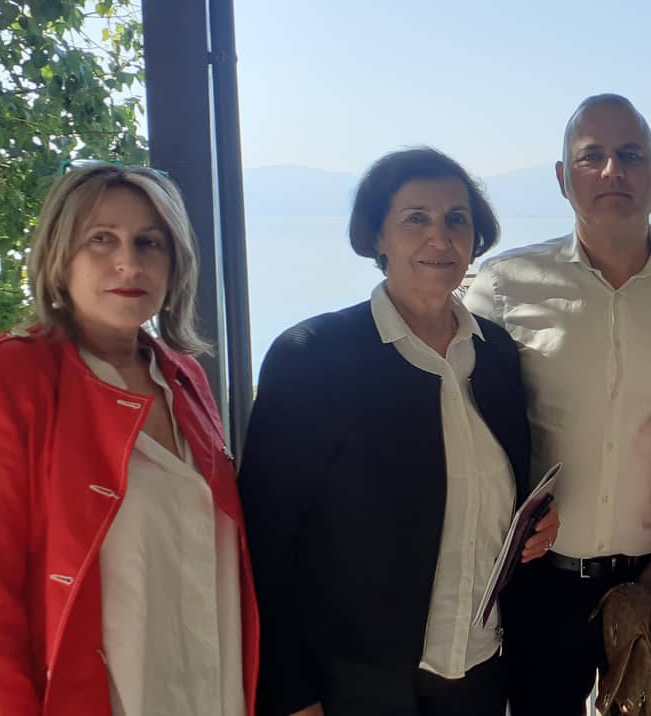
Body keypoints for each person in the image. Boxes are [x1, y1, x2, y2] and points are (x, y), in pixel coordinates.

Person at [238, 148, 556, 716]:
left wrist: (535, 525)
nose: (441, 237)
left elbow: (497, 492)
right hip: (356, 687)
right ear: (376, 237)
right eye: (416, 218)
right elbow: (267, 540)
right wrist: (291, 695)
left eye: (457, 219)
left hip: (480, 672)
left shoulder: (498, 355)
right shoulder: (313, 358)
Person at [0, 162, 258, 714]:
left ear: (176, 263)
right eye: (101, 239)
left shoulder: (184, 378)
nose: (129, 262)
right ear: (59, 254)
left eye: (150, 242)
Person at [463, 93, 651, 713]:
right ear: (563, 177)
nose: (613, 170)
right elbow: (469, 431)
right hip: (543, 584)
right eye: (593, 157)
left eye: (631, 155)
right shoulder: (503, 288)